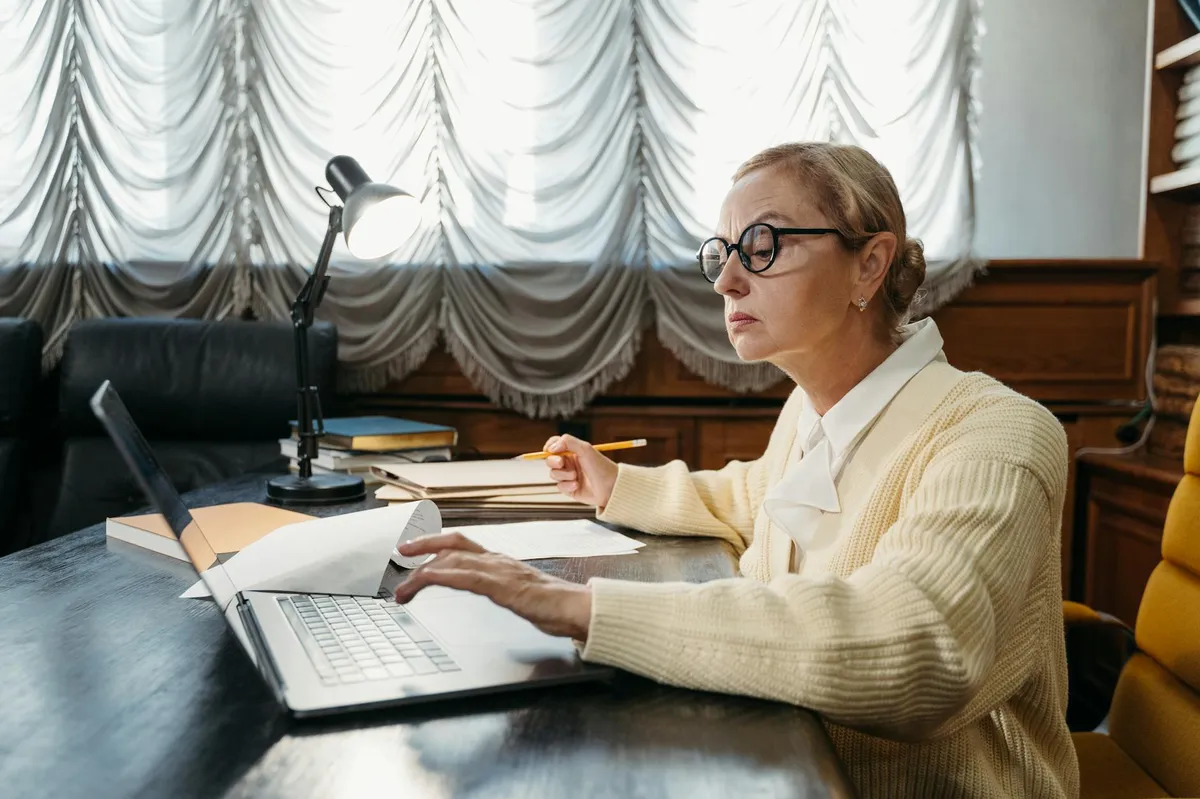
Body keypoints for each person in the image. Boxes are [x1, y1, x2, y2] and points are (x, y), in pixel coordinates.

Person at [394, 142, 1079, 799]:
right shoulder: (808, 412)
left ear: (869, 265)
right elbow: (754, 493)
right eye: (721, 253)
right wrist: (617, 483)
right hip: (794, 765)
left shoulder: (999, 434)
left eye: (762, 246)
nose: (725, 280)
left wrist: (583, 606)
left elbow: (917, 644)